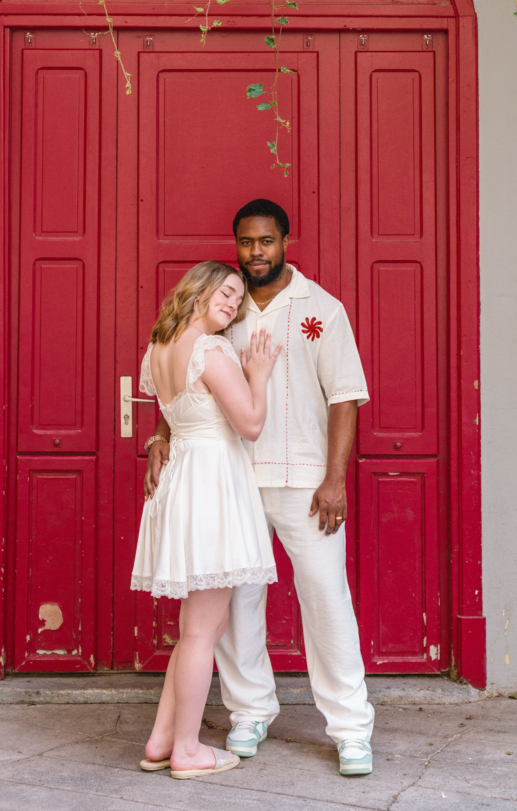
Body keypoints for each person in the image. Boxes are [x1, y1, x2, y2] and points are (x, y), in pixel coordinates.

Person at [145, 200, 376, 777]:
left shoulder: (320, 308)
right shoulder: (224, 309)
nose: (256, 253)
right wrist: (157, 437)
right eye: (247, 243)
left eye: (266, 242)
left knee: (326, 600)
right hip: (236, 483)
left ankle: (350, 728)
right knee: (236, 611)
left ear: (285, 241)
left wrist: (335, 479)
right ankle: (248, 711)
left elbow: (344, 395)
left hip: (304, 484)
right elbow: (184, 389)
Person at [131, 260, 282, 779]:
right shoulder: (211, 349)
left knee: (199, 625)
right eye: (226, 293)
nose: (233, 304)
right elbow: (251, 423)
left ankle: (161, 739)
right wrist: (258, 375)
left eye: (238, 300)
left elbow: (176, 418)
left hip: (186, 480)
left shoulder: (158, 349)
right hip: (212, 482)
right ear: (198, 291)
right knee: (201, 630)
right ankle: (189, 750)